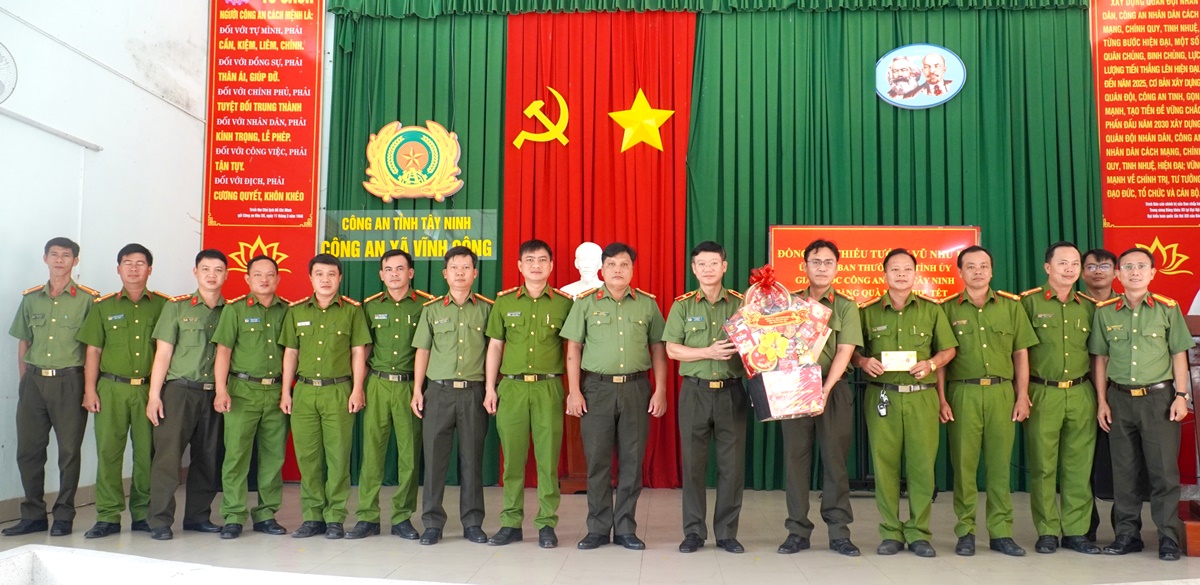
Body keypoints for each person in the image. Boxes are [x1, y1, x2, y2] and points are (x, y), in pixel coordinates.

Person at [1090, 247, 1195, 561]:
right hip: (1119, 399)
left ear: (1152, 273)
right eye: (1127, 267)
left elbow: (1179, 354)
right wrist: (1102, 401)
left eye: (1141, 267)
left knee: (1163, 473)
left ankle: (1168, 537)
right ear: (1118, 274)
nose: (1134, 272)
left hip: (1159, 400)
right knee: (1124, 473)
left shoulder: (1167, 308)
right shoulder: (1105, 312)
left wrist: (1181, 396)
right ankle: (1127, 535)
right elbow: (1100, 359)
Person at [561, 242, 668, 551]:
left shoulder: (646, 304)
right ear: (602, 269)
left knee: (632, 462)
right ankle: (597, 528)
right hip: (597, 390)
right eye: (611, 265)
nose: (617, 270)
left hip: (636, 389)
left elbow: (658, 349)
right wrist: (574, 391)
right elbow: (573, 349)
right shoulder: (585, 303)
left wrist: (660, 390)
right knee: (597, 462)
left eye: (624, 264)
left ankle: (625, 528)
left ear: (632, 269)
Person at [851, 248, 957, 558]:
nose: (900, 274)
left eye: (907, 269)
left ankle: (919, 532)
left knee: (922, 466)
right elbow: (852, 350)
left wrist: (932, 364)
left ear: (915, 274)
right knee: (884, 466)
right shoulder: (867, 312)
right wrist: (863, 361)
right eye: (894, 269)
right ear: (884, 274)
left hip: (922, 396)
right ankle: (890, 532)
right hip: (882, 395)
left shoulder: (931, 310)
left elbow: (948, 350)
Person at [939, 245, 1038, 557]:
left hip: (1001, 393)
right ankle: (965, 532)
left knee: (999, 467)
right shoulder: (947, 309)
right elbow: (941, 360)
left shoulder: (1011, 307)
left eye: (983, 266)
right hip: (962, 393)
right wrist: (941, 398)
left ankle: (1001, 532)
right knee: (964, 467)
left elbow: (1020, 354)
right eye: (970, 266)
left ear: (992, 271)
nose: (978, 271)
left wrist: (1022, 395)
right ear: (960, 272)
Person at [2, 238, 98, 537]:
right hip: (33, 381)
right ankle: (33, 515)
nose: (59, 260)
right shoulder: (32, 299)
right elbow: (24, 341)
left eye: (66, 255)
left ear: (75, 261)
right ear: (45, 258)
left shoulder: (88, 300)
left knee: (69, 452)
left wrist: (89, 388)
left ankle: (64, 516)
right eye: (54, 254)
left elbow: (93, 348)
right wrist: (24, 380)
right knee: (28, 451)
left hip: (70, 381)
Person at [483, 239, 573, 548]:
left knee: (548, 459)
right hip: (512, 388)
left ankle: (546, 523)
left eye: (542, 260)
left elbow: (572, 350)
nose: (536, 265)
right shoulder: (504, 302)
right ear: (520, 265)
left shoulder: (564, 304)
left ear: (551, 265)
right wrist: (490, 387)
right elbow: (495, 346)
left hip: (549, 387)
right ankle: (510, 522)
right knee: (513, 460)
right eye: (530, 260)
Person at [76, 243, 168, 539]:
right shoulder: (103, 306)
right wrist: (89, 390)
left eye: (140, 263)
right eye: (127, 263)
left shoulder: (164, 306)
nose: (133, 268)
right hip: (111, 389)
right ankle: (107, 516)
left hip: (147, 391)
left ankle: (142, 514)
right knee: (109, 453)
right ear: (118, 269)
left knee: (146, 455)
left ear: (149, 269)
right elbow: (93, 351)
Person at [778, 239, 862, 557]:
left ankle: (839, 533)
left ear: (837, 267)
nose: (822, 267)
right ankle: (797, 531)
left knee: (835, 462)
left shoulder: (846, 306)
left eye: (828, 262)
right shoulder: (790, 303)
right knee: (795, 461)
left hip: (833, 390)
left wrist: (825, 388)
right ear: (805, 266)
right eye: (816, 262)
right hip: (795, 388)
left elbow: (845, 350)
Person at [663, 241, 746, 555]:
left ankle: (726, 533)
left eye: (714, 263)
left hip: (731, 393)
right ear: (694, 269)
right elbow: (672, 349)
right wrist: (708, 352)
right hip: (694, 392)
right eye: (702, 264)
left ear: (724, 267)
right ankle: (694, 532)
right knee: (693, 466)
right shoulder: (683, 306)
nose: (708, 269)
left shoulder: (742, 305)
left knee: (732, 468)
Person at [280, 254, 371, 539]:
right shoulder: (296, 311)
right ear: (310, 278)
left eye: (331, 274)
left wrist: (357, 388)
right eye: (319, 274)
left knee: (338, 456)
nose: (325, 279)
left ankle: (335, 517)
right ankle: (312, 517)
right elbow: (290, 353)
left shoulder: (352, 311)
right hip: (304, 391)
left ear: (340, 278)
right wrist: (286, 391)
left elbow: (358, 352)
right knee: (308, 457)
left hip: (338, 391)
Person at [1020, 242, 1101, 555]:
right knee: (1043, 466)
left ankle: (1076, 532)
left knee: (1078, 466)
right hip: (1043, 392)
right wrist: (1021, 394)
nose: (1070, 269)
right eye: (1063, 263)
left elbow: (1097, 356)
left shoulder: (1089, 306)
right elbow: (1019, 353)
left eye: (1075, 264)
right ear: (1047, 267)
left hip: (1081, 392)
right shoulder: (1027, 303)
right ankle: (1047, 531)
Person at [347, 249, 433, 540]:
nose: (394, 274)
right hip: (378, 384)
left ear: (411, 273)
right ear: (381, 274)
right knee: (372, 453)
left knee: (409, 455)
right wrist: (358, 388)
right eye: (388, 269)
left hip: (411, 386)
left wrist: (420, 388)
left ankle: (402, 518)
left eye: (400, 268)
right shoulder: (370, 306)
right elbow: (363, 350)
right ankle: (367, 517)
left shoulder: (425, 305)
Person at [144, 249, 229, 540]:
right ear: (195, 272)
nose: (211, 275)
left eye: (218, 270)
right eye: (206, 269)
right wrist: (154, 395)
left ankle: (197, 517)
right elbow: (163, 354)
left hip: (213, 395)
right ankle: (159, 520)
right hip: (179, 392)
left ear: (226, 275)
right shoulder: (177, 307)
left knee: (207, 458)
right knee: (167, 459)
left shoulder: (231, 311)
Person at [410, 246, 492, 545]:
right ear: (445, 273)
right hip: (439, 392)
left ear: (475, 273)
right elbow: (423, 351)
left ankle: (472, 522)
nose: (460, 273)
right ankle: (432, 523)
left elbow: (494, 352)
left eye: (466, 267)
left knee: (472, 460)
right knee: (434, 461)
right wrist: (418, 390)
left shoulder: (487, 309)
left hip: (473, 394)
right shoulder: (432, 310)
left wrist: (491, 389)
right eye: (454, 268)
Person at [211, 255, 290, 539]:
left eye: (270, 274)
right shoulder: (235, 310)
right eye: (258, 274)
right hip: (242, 391)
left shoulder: (287, 311)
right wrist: (221, 389)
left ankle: (266, 514)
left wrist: (287, 391)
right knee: (236, 456)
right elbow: (223, 351)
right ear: (247, 279)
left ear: (278, 278)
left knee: (273, 457)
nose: (264, 280)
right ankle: (233, 515)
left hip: (276, 392)